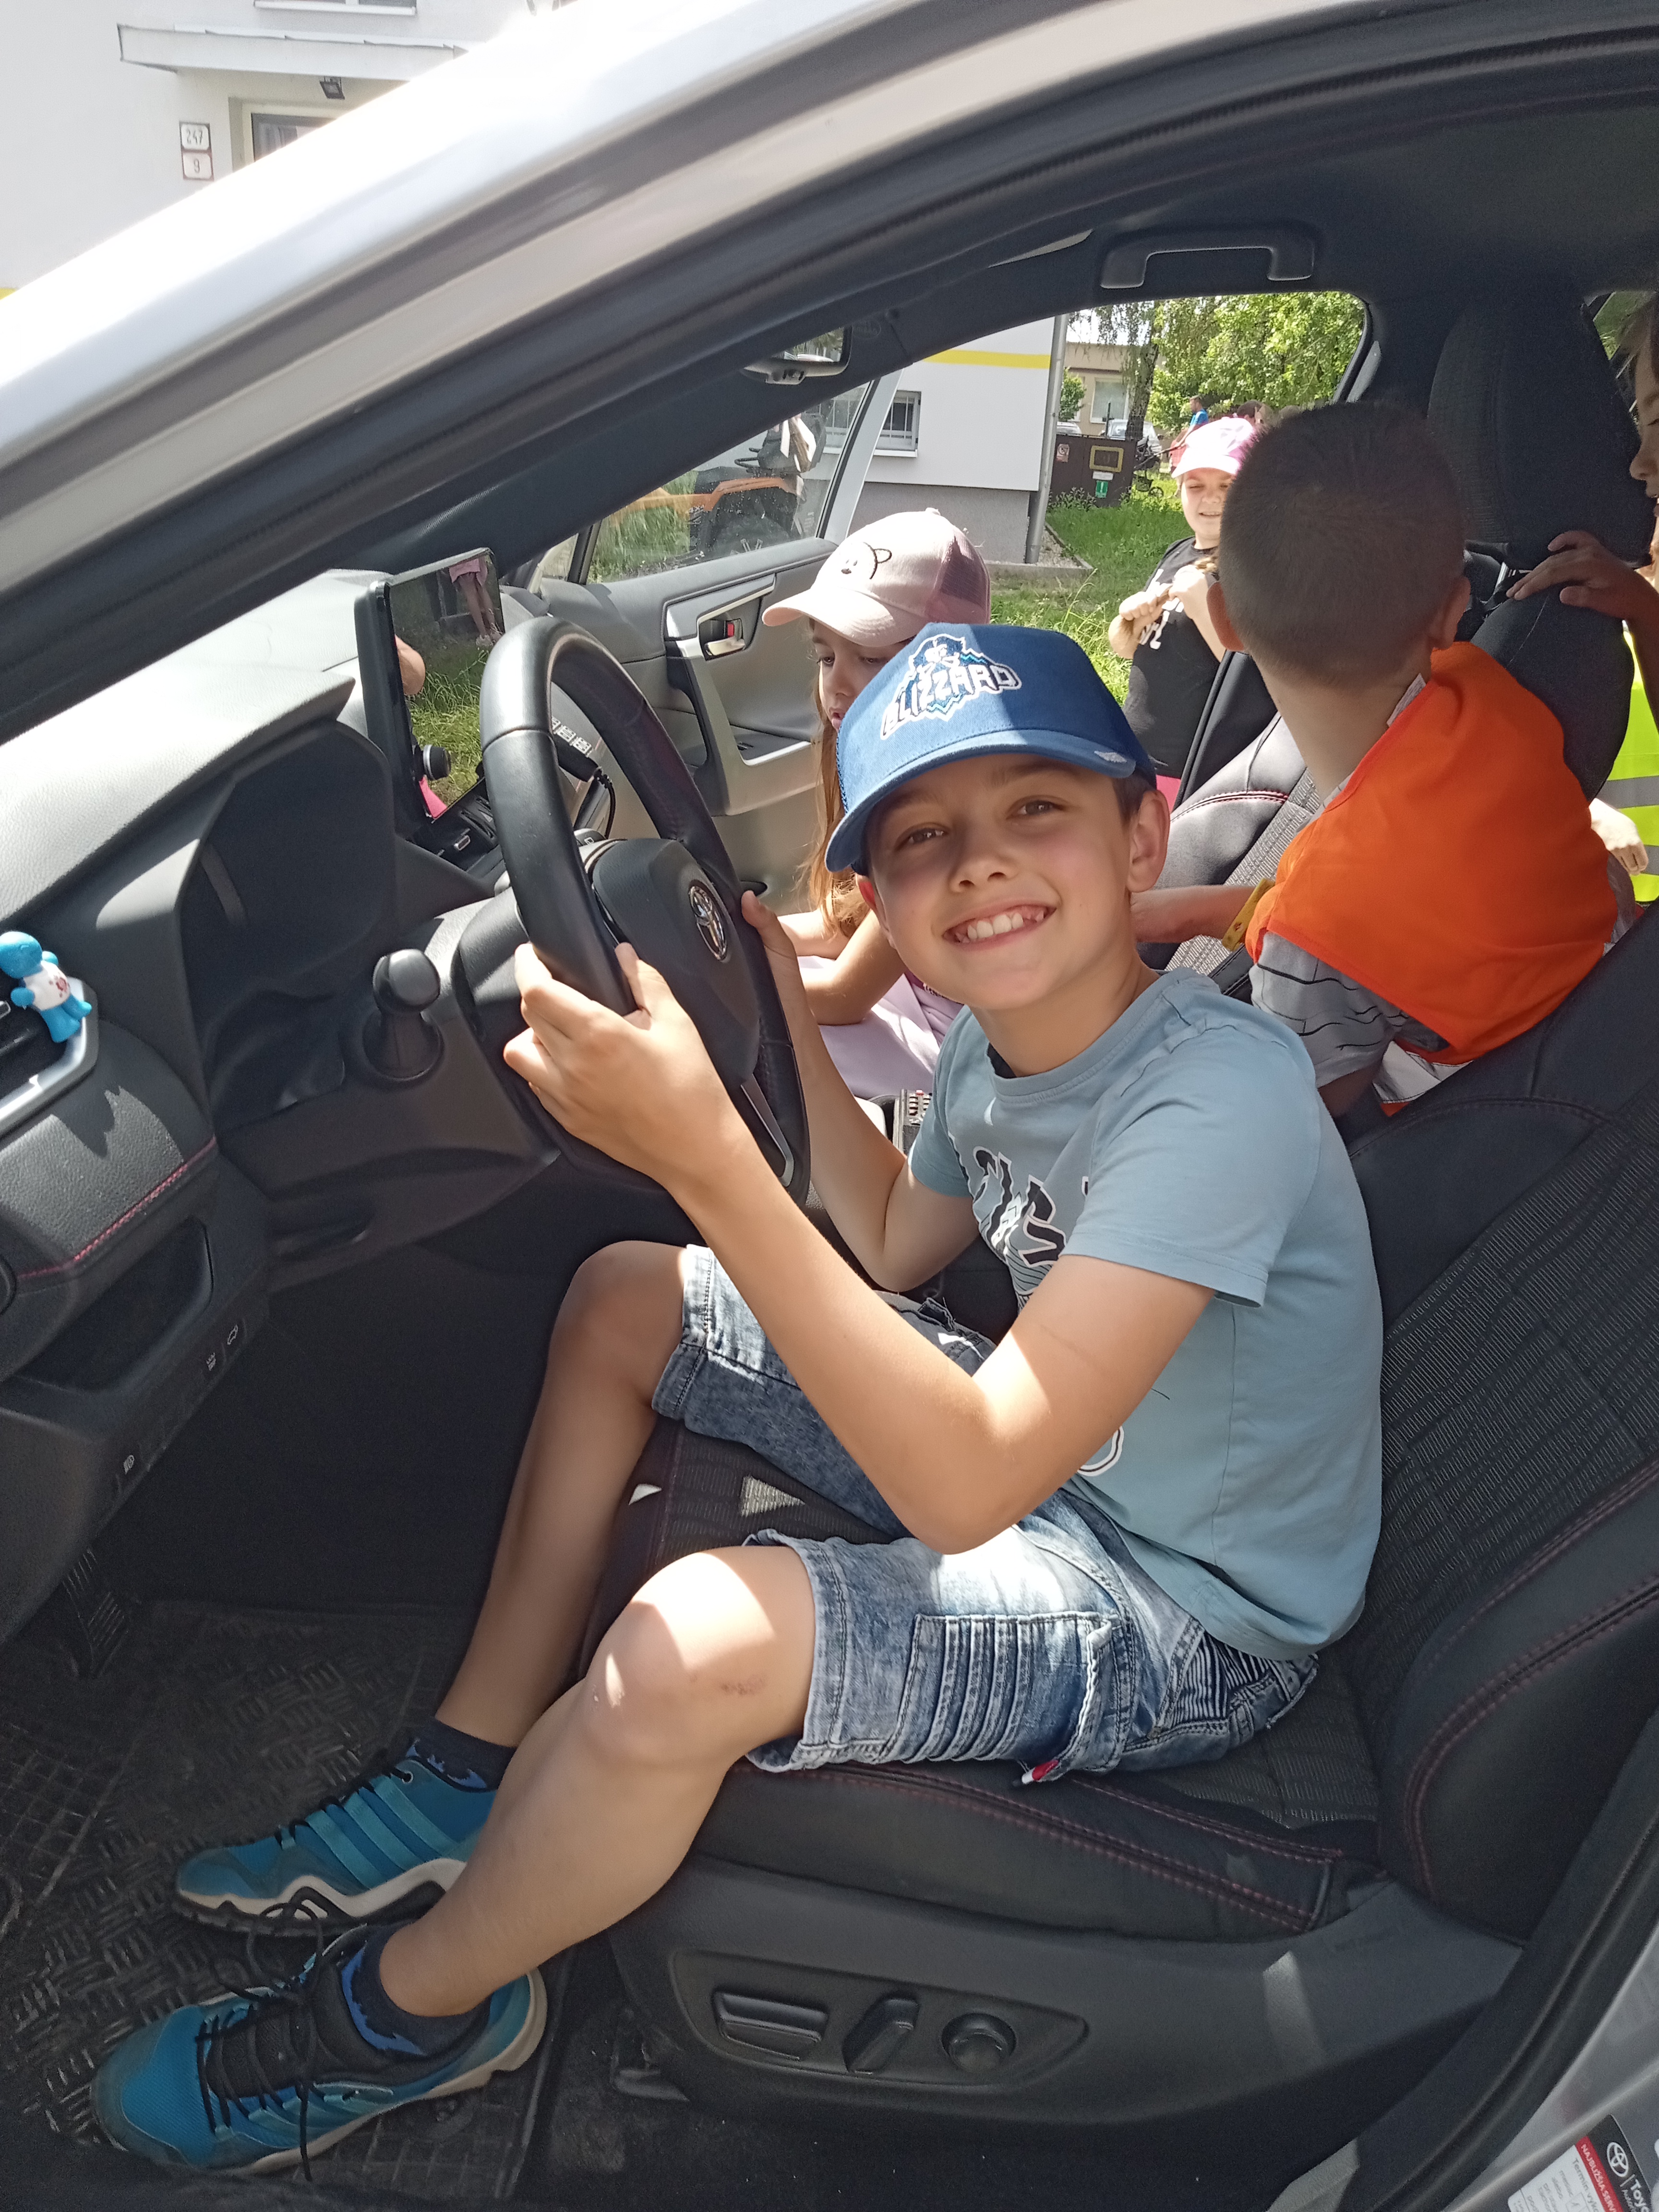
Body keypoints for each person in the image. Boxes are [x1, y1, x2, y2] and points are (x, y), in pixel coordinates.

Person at [95, 624, 1384, 2176]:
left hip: (1190, 1608)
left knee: (692, 1643)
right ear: (881, 898)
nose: (979, 863)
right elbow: (894, 1233)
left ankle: (405, 2017)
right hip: (1064, 1456)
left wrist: (703, 1149)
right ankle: (464, 1777)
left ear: (1138, 839)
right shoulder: (997, 1050)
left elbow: (965, 1486)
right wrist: (773, 1004)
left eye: (1033, 808)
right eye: (921, 838)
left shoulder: (1215, 1097)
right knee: (629, 1297)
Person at [1133, 404, 1623, 1117]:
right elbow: (1398, 904)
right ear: (1453, 611)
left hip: (1494, 1131)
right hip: (1611, 1012)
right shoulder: (1495, 697)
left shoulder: (1321, 927)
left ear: (1226, 619)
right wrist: (1180, 915)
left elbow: (1312, 1106)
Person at [766, 509, 991, 1099]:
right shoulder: (880, 771)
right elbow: (850, 926)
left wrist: (711, 985)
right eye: (826, 657)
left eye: (870, 658)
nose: (837, 684)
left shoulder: (941, 799)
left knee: (766, 1057)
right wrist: (742, 937)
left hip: (975, 1052)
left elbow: (843, 997)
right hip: (919, 1000)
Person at [1108, 414, 1260, 787]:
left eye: (1228, 485)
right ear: (1180, 491)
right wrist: (1131, 619)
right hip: (1134, 757)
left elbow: (1252, 680)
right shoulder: (1179, 553)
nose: (1212, 498)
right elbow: (1126, 649)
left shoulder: (1252, 567)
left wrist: (1204, 607)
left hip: (1190, 771)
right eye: (1196, 486)